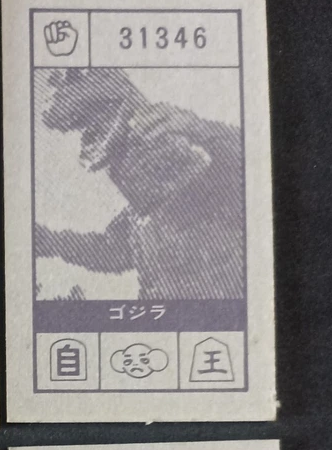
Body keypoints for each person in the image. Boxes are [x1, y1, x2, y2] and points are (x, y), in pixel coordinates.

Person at [36, 67, 244, 300]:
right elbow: (110, 250)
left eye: (129, 149)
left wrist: (197, 128)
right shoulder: (138, 218)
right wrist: (50, 241)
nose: (121, 169)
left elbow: (251, 161)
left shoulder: (214, 186)